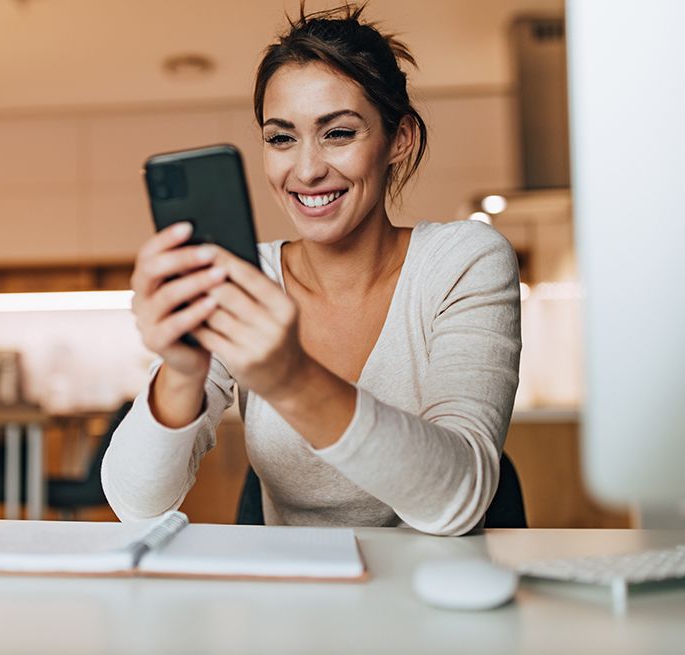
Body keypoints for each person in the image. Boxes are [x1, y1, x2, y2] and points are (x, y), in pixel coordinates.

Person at [100, 3, 521, 536]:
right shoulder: (243, 277)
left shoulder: (464, 261)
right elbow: (136, 506)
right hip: (295, 599)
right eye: (281, 138)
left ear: (400, 140)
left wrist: (289, 377)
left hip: (436, 594)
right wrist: (182, 370)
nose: (306, 170)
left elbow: (459, 500)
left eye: (339, 133)